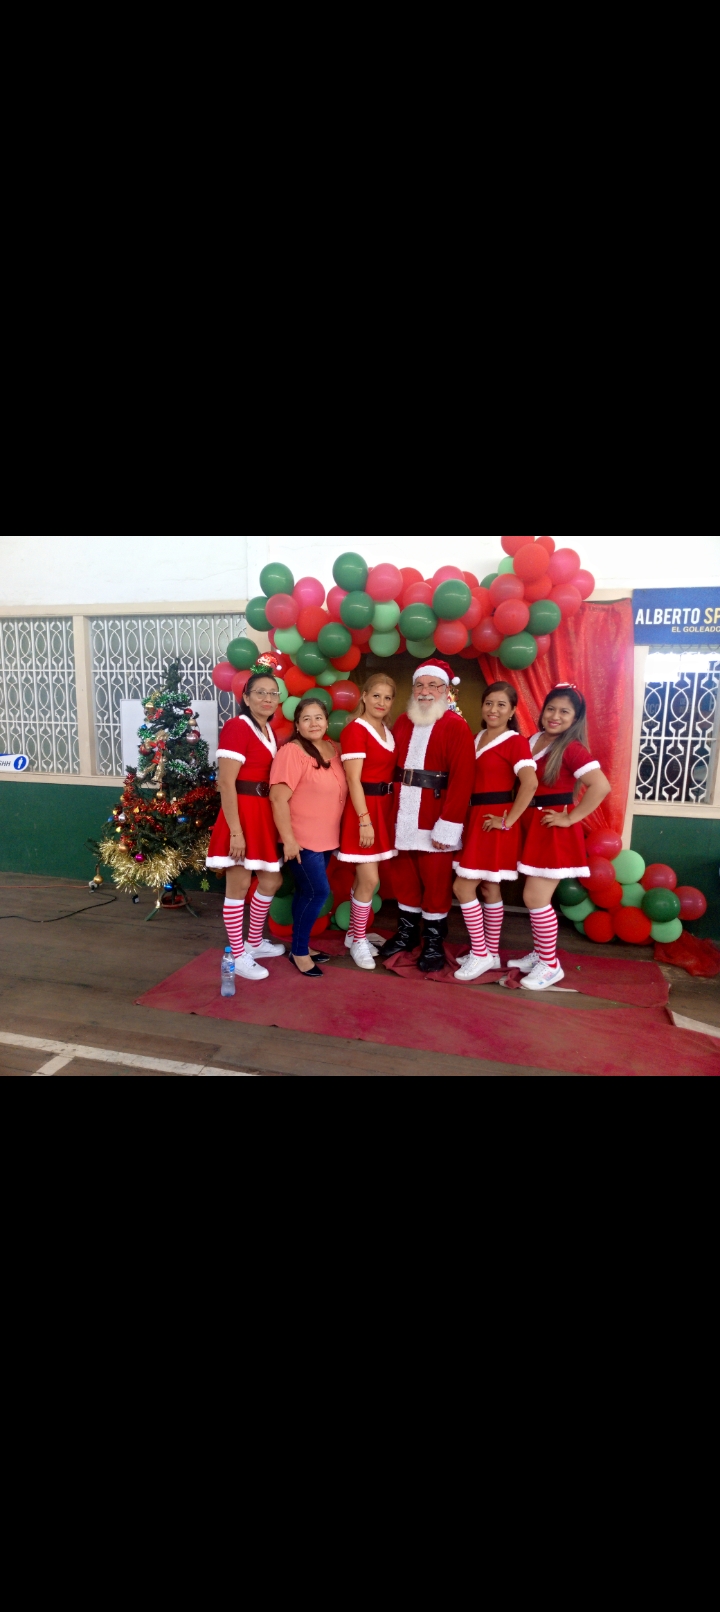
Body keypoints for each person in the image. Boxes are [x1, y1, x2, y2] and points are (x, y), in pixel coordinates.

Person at [509, 684, 611, 991]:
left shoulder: (572, 748)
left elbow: (601, 786)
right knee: (534, 897)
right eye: (551, 709)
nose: (555, 716)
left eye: (564, 711)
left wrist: (570, 817)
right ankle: (542, 953)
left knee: (534, 898)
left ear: (575, 718)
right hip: (532, 826)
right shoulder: (533, 740)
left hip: (552, 831)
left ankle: (550, 965)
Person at [377, 658, 476, 972]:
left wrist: (449, 824)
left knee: (435, 883)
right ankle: (407, 933)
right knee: (403, 877)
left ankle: (433, 940)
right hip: (402, 814)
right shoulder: (402, 722)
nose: (425, 691)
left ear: (445, 691)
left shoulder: (456, 726)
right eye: (419, 685)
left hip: (435, 817)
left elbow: (463, 779)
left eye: (433, 685)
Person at [452, 682, 538, 982]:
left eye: (502, 705)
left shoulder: (515, 741)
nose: (493, 709)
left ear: (512, 710)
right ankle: (489, 951)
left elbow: (530, 783)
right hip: (474, 818)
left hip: (493, 820)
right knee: (489, 887)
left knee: (462, 888)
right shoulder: (476, 738)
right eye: (489, 703)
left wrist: (507, 820)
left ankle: (480, 953)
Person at [206, 667, 285, 981]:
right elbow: (226, 783)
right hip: (241, 814)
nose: (268, 698)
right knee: (238, 885)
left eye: (273, 693)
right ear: (246, 698)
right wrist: (235, 832)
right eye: (260, 692)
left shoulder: (268, 730)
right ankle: (237, 954)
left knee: (271, 881)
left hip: (262, 814)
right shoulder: (238, 726)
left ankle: (254, 942)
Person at [270, 696, 348, 977]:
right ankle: (299, 952)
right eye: (306, 718)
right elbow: (278, 799)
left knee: (306, 892)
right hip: (301, 839)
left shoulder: (334, 749)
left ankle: (300, 945)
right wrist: (289, 840)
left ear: (326, 721)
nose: (313, 723)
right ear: (297, 725)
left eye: (318, 717)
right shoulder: (292, 752)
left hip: (327, 838)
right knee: (317, 892)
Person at [337, 673, 398, 971]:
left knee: (366, 879)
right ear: (363, 696)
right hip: (363, 810)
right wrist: (364, 820)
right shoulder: (355, 730)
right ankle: (358, 939)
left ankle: (353, 934)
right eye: (376, 696)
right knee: (370, 880)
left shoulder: (387, 730)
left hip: (383, 808)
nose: (381, 702)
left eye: (387, 698)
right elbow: (353, 780)